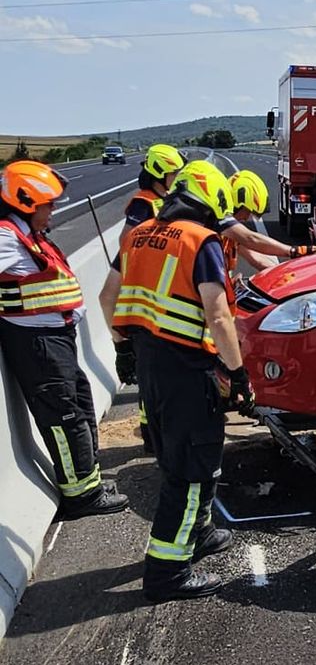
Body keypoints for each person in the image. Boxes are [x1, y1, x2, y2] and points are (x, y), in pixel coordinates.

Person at [100, 160, 255, 603]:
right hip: (188, 371)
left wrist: (123, 347)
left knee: (179, 457)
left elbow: (107, 297)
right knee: (190, 470)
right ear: (211, 202)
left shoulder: (137, 234)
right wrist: (239, 374)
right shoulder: (200, 241)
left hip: (151, 366)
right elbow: (218, 314)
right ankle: (167, 574)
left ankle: (199, 532)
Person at [0, 160, 129, 519]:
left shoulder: (26, 234)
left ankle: (89, 482)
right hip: (37, 343)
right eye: (48, 205)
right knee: (63, 416)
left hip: (56, 338)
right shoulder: (6, 237)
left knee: (80, 406)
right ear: (26, 202)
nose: (54, 210)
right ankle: (81, 497)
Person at [118, 143, 187, 451]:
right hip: (145, 297)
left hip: (161, 295)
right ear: (159, 173)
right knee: (151, 374)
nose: (177, 178)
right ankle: (151, 434)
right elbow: (127, 242)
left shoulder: (166, 201)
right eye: (173, 174)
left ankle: (155, 432)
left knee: (159, 373)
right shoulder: (143, 204)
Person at [223, 170, 277, 276]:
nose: (247, 218)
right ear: (236, 204)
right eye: (247, 211)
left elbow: (256, 258)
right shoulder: (214, 230)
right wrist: (292, 250)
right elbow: (251, 239)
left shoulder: (228, 233)